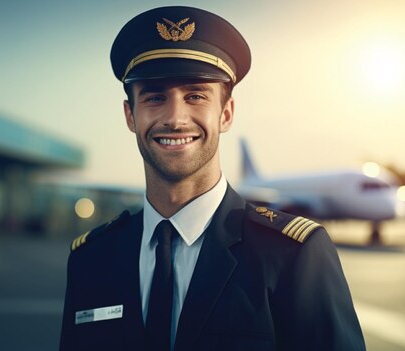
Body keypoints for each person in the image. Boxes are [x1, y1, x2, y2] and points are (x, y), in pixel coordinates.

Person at [59, 6, 365, 351]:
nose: (175, 118)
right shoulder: (91, 259)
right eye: (155, 97)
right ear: (130, 115)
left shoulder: (293, 255)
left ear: (226, 113)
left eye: (195, 96)